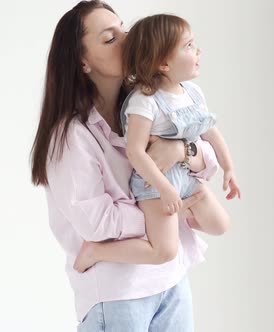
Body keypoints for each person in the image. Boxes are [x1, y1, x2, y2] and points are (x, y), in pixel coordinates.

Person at [30, 1, 221, 331]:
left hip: (172, 280)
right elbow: (96, 221)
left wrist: (179, 151)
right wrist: (166, 211)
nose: (126, 39)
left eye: (124, 29)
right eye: (109, 38)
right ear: (83, 62)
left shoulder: (147, 104)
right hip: (118, 293)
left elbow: (207, 164)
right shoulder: (72, 135)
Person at [73, 14, 240, 273]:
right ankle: (95, 250)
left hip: (185, 176)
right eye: (188, 46)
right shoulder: (144, 101)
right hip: (154, 184)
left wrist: (229, 168)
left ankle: (175, 217)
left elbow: (211, 132)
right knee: (165, 251)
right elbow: (136, 152)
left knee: (220, 225)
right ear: (163, 63)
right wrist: (165, 189)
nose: (198, 51)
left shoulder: (193, 92)